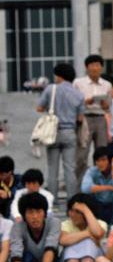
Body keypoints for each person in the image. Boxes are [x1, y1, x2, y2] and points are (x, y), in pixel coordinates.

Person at [37, 62, 85, 197]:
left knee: (52, 168)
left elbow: (39, 108)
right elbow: (80, 118)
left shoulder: (51, 89)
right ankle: (71, 199)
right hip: (69, 132)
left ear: (59, 76)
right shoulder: (79, 94)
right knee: (69, 168)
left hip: (52, 133)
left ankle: (52, 199)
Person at [6, 192, 62, 262]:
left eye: (38, 211)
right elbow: (15, 255)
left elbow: (51, 247)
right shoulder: (17, 227)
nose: (35, 216)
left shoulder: (54, 222)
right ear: (24, 215)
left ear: (44, 213)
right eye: (30, 212)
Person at [73, 54, 113, 179]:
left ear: (101, 67)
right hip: (85, 118)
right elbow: (73, 102)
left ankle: (101, 181)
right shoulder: (78, 83)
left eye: (97, 65)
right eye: (92, 65)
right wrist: (86, 102)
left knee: (102, 153)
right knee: (82, 154)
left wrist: (105, 104)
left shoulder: (107, 84)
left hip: (101, 118)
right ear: (87, 67)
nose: (95, 68)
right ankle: (80, 185)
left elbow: (108, 107)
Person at [57, 194, 107, 262]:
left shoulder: (100, 223)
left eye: (78, 212)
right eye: (71, 210)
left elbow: (97, 233)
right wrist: (88, 233)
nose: (72, 214)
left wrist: (85, 210)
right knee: (71, 242)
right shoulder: (66, 224)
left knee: (88, 242)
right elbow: (63, 240)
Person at [80, 146, 113, 224]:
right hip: (98, 203)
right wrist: (109, 187)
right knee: (83, 198)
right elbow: (85, 188)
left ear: (110, 160)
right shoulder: (92, 171)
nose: (100, 163)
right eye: (98, 160)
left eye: (104, 160)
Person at [0, 156, 20, 220]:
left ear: (10, 172)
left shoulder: (19, 180)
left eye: (2, 174)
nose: (0, 176)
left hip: (16, 214)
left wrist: (8, 194)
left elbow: (20, 192)